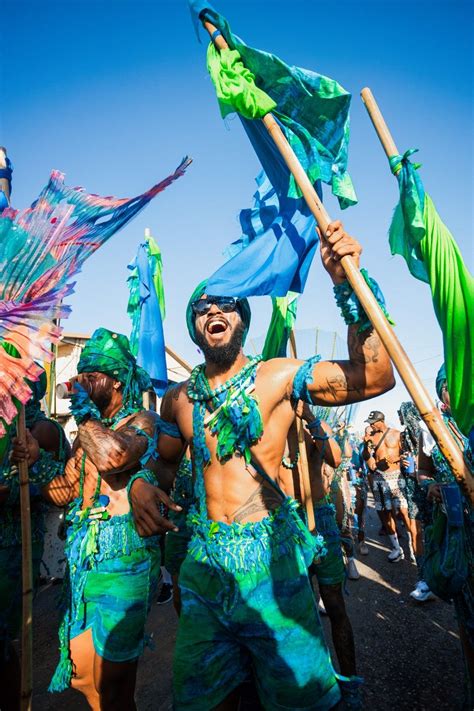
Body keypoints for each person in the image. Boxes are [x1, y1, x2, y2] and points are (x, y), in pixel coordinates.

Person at [130, 221, 395, 711]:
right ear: (194, 327)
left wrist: (346, 283)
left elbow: (376, 376)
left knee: (302, 700)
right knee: (198, 701)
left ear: (243, 319)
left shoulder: (275, 377)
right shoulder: (179, 400)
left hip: (272, 566)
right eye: (202, 307)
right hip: (206, 568)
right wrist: (141, 487)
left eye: (226, 303)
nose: (213, 309)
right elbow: (162, 471)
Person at [12, 328, 175, 711]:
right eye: (81, 374)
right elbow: (66, 489)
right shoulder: (89, 432)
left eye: (91, 375)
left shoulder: (143, 420)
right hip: (85, 562)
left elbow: (114, 457)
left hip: (127, 562)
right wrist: (35, 463)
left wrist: (83, 414)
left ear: (116, 381)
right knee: (84, 672)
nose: (81, 382)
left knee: (113, 678)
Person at [0, 369, 70, 711]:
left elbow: (55, 490)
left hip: (15, 544)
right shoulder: (4, 425)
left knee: (2, 639)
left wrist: (10, 489)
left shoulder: (42, 429)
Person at [285, 406, 359, 689]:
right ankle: (311, 685)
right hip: (286, 526)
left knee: (336, 607)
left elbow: (335, 457)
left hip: (321, 521)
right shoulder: (267, 428)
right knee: (295, 613)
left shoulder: (313, 426)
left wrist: (311, 419)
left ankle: (350, 681)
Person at [417, 365, 473, 705]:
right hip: (457, 534)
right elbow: (422, 471)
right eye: (448, 387)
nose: (455, 392)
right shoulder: (433, 429)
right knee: (467, 617)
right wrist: (432, 486)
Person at [363, 410, 420, 563]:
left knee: (404, 513)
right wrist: (365, 446)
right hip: (379, 479)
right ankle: (396, 549)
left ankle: (413, 549)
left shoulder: (397, 434)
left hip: (397, 478)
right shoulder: (371, 438)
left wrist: (398, 459)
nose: (371, 425)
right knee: (385, 514)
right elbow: (367, 459)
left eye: (373, 423)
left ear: (381, 420)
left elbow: (407, 454)